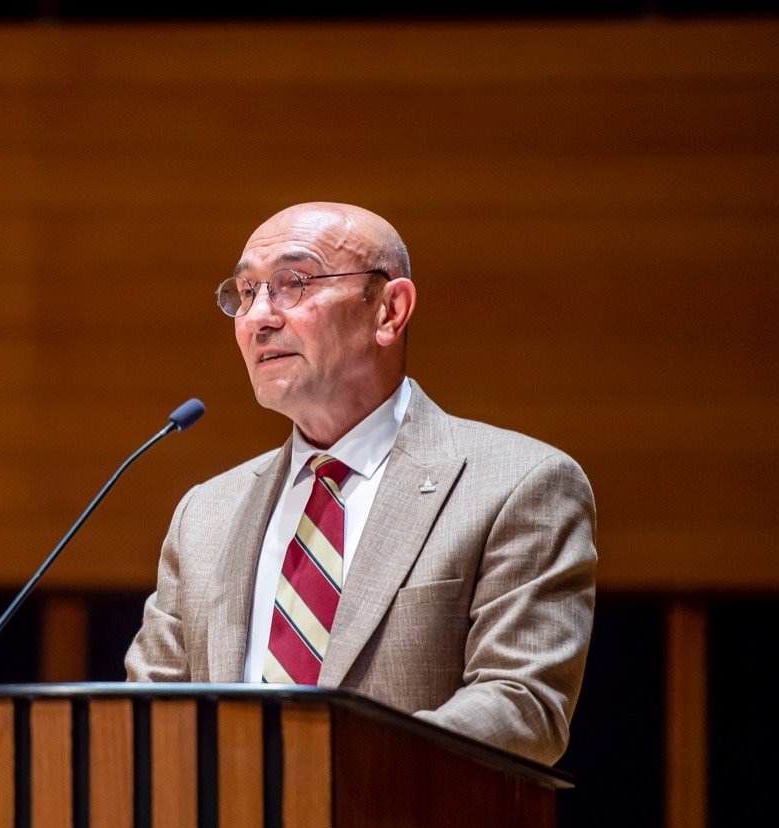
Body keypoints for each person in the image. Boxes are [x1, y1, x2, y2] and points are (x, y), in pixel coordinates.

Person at [125, 202, 596, 768]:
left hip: (404, 820)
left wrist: (325, 770)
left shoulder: (518, 485)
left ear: (390, 311)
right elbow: (144, 716)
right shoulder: (206, 515)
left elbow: (522, 706)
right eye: (246, 292)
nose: (259, 318)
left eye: (293, 284)